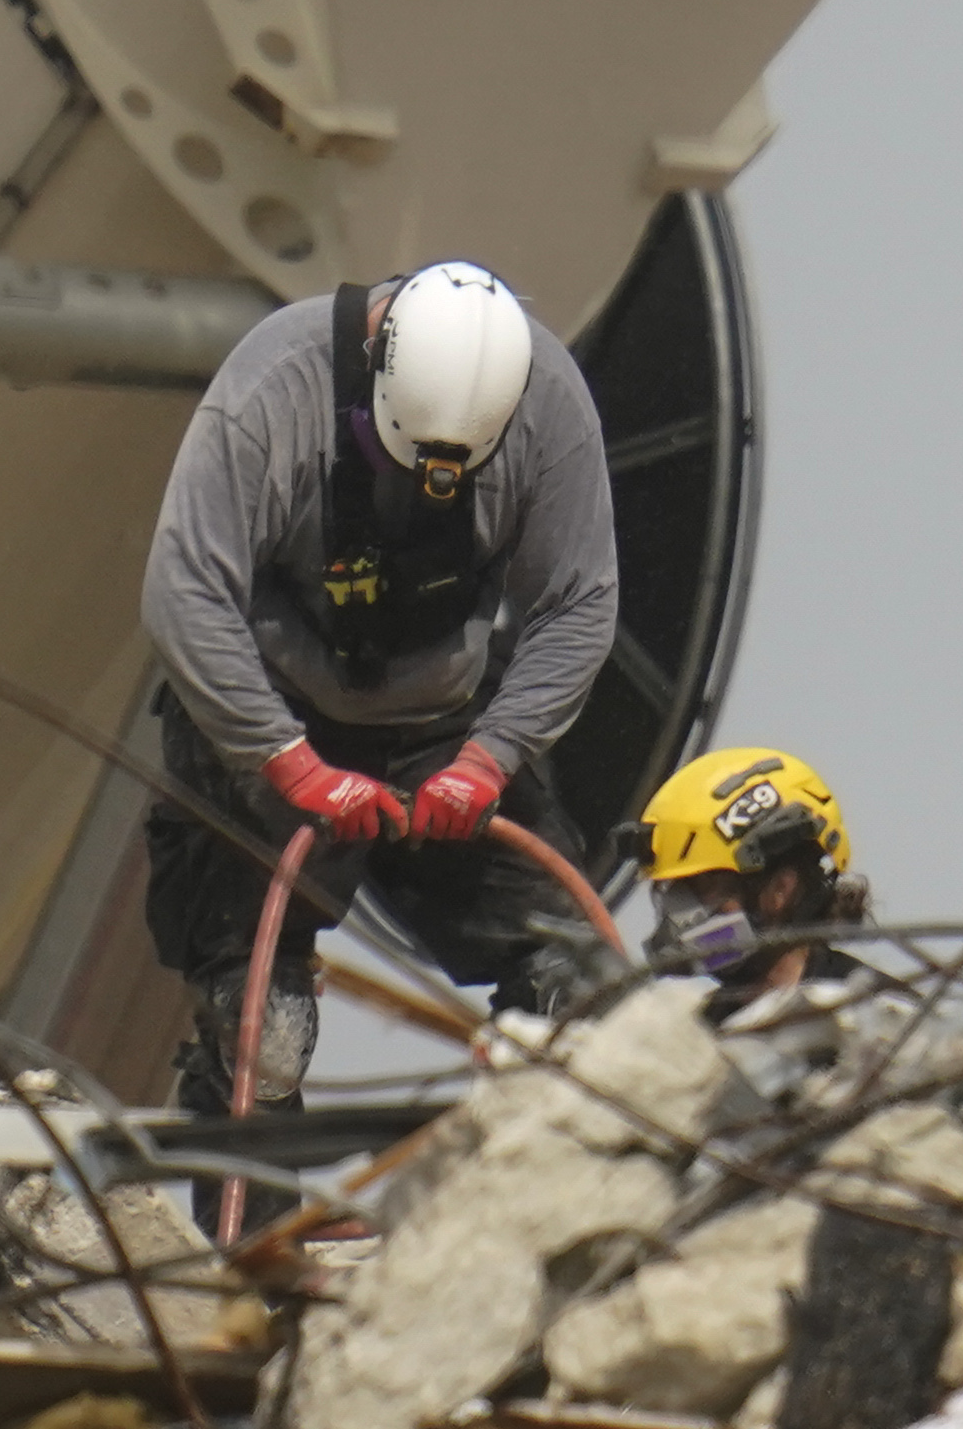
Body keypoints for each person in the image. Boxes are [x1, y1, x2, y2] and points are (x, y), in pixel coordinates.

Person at [137, 257, 626, 1110]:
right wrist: (287, 762)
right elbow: (184, 589)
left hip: (446, 724)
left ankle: (533, 1206)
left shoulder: (549, 405)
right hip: (274, 711)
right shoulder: (274, 391)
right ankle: (246, 1229)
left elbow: (579, 602)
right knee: (262, 1030)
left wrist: (490, 758)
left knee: (579, 995)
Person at [636, 743, 861, 1003]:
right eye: (674, 890)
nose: (678, 916)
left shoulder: (873, 1017)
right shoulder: (695, 1030)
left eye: (703, 887)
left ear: (780, 890)